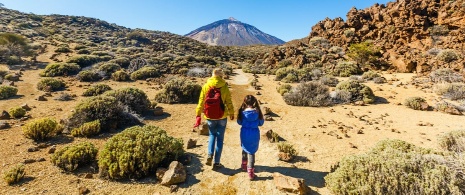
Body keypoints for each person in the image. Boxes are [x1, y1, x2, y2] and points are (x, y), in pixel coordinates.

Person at [194, 68, 234, 170]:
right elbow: (228, 101)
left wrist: (198, 114)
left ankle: (209, 154)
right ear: (221, 75)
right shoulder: (224, 86)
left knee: (212, 135)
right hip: (222, 116)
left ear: (212, 75)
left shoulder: (206, 85)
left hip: (210, 116)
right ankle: (217, 162)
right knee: (220, 139)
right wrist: (231, 113)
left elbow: (201, 100)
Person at [237, 95, 264, 180]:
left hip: (244, 133)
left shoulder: (242, 112)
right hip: (254, 134)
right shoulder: (257, 112)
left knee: (244, 148)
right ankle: (250, 173)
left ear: (245, 102)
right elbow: (261, 123)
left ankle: (244, 165)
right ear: (254, 102)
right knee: (251, 152)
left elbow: (239, 122)